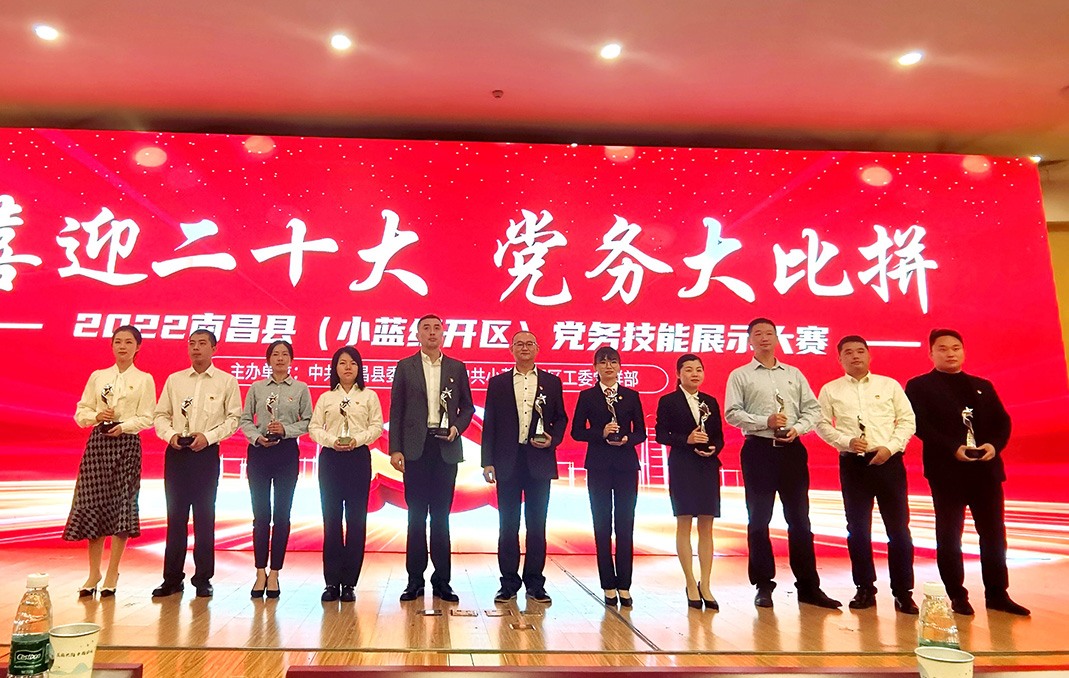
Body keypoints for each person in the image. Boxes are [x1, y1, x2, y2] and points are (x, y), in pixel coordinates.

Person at [905, 329, 1029, 616]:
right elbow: (920, 425)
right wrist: (953, 448)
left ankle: (997, 594)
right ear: (931, 353)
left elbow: (1002, 422)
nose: (950, 353)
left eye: (956, 348)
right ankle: (957, 595)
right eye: (942, 348)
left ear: (963, 351)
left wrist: (994, 446)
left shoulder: (982, 385)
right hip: (947, 472)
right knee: (949, 535)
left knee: (993, 534)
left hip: (986, 471)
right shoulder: (919, 386)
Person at [724, 318, 841, 609]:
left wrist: (797, 429)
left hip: (792, 451)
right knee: (759, 519)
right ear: (749, 340)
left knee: (800, 520)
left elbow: (813, 410)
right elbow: (732, 413)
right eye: (758, 334)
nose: (764, 338)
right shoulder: (740, 375)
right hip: (758, 451)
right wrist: (766, 421)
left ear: (777, 338)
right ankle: (763, 584)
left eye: (769, 333)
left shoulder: (794, 374)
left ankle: (808, 586)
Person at [816, 335, 918, 613]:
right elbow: (821, 424)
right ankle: (864, 589)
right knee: (858, 530)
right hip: (854, 465)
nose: (855, 356)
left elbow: (907, 420)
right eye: (848, 352)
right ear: (839, 359)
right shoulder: (830, 389)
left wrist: (890, 447)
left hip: (889, 463)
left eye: (860, 351)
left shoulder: (889, 385)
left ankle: (903, 592)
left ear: (869, 355)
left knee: (899, 530)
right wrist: (845, 442)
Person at [64, 325, 156, 598]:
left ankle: (112, 572)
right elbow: (81, 412)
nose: (123, 347)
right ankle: (93, 573)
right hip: (98, 444)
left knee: (121, 506)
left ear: (138, 347)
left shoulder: (144, 379)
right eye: (118, 342)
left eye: (128, 342)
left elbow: (147, 417)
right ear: (112, 345)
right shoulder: (98, 376)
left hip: (127, 444)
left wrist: (123, 426)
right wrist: (97, 416)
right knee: (94, 504)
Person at [389, 314, 474, 603]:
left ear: (443, 334)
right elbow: (396, 409)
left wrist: (456, 428)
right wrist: (395, 449)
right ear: (418, 335)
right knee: (415, 516)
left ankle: (442, 581)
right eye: (426, 328)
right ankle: (414, 580)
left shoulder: (456, 367)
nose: (432, 332)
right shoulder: (405, 366)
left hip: (445, 448)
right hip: (415, 449)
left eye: (437, 328)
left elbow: (467, 408)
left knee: (441, 517)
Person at [151, 329, 242, 598]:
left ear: (214, 348)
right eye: (192, 343)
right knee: (175, 517)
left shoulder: (226, 381)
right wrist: (171, 435)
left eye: (202, 343)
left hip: (206, 454)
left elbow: (233, 419)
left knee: (204, 517)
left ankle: (203, 578)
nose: (196, 348)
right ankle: (171, 578)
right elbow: (160, 415)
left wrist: (208, 437)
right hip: (177, 454)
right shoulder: (175, 380)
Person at [481, 330, 569, 605]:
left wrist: (553, 439)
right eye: (519, 344)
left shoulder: (552, 382)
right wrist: (487, 461)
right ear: (511, 349)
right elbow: (489, 424)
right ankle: (508, 583)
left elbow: (561, 418)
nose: (524, 348)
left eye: (529, 343)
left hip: (539, 459)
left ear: (537, 348)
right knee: (508, 525)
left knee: (536, 524)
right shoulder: (498, 383)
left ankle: (535, 583)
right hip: (507, 461)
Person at [570, 346, 646, 607]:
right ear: (595, 368)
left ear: (620, 366)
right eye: (602, 363)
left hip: (626, 466)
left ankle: (624, 585)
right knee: (602, 526)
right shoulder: (587, 396)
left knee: (625, 525)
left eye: (613, 362)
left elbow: (641, 433)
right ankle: (608, 585)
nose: (608, 367)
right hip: (599, 466)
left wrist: (627, 439)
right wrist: (600, 433)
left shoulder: (631, 396)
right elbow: (577, 432)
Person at [238, 340, 312, 599]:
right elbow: (245, 419)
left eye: (285, 354)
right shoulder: (256, 388)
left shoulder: (301, 388)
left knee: (282, 515)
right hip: (259, 452)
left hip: (286, 453)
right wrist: (257, 437)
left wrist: (286, 430)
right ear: (268, 360)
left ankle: (275, 573)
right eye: (275, 354)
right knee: (260, 515)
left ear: (291, 360)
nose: (280, 358)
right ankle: (260, 571)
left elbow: (309, 422)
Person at [309, 346, 383, 603]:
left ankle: (350, 582)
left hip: (358, 458)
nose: (348, 367)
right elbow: (314, 428)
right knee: (331, 521)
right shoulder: (326, 397)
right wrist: (332, 441)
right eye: (342, 363)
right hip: (331, 460)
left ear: (359, 367)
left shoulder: (369, 396)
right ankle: (331, 582)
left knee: (356, 521)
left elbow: (376, 426)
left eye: (352, 363)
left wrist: (357, 440)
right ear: (335, 368)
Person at [654, 353, 725, 611]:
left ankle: (706, 584)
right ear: (678, 374)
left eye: (698, 370)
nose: (694, 374)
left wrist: (713, 448)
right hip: (683, 466)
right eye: (688, 370)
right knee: (684, 523)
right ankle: (690, 583)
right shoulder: (668, 401)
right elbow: (661, 434)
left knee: (706, 525)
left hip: (707, 467)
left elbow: (719, 435)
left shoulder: (710, 401)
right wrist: (687, 440)